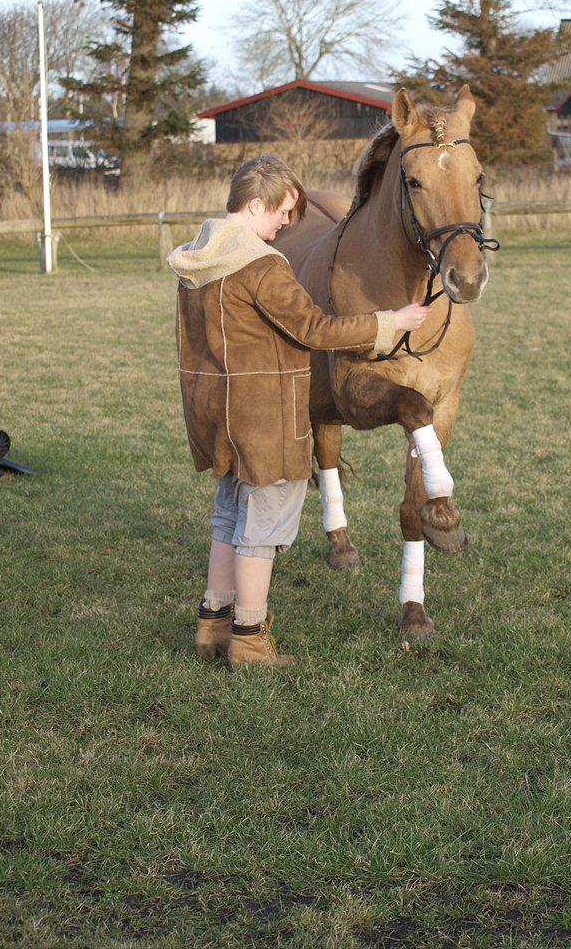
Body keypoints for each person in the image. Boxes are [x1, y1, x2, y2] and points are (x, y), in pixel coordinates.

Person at [167, 155, 428, 670]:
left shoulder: (199, 258)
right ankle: (248, 636)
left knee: (228, 517)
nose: (288, 224)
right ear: (256, 205)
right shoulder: (261, 266)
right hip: (264, 418)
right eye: (283, 213)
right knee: (260, 529)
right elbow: (317, 331)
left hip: (216, 411)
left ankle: (211, 624)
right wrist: (389, 320)